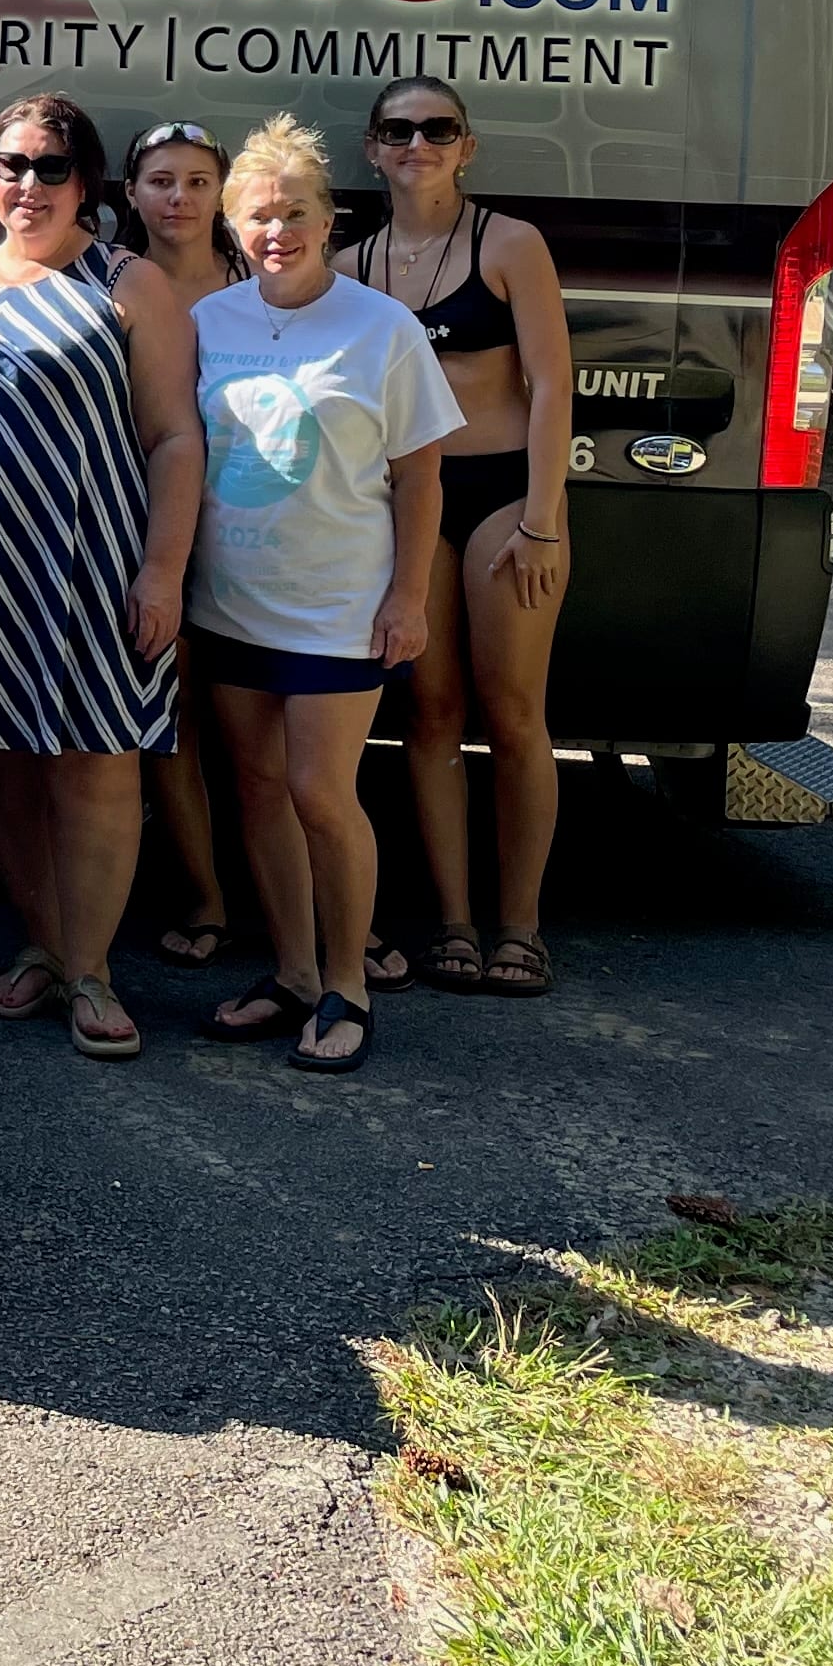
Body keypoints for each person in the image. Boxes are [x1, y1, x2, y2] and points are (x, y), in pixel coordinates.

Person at [0, 95, 202, 1062]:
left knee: (95, 765)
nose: (28, 185)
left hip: (89, 561)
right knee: (3, 764)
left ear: (88, 183)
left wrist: (163, 571)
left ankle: (94, 969)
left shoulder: (127, 283)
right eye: (10, 164)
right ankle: (43, 943)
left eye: (51, 167)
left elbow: (175, 437)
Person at [186, 115, 461, 1077]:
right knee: (257, 790)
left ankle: (349, 981)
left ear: (329, 218)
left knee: (319, 792)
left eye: (294, 211)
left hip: (339, 604)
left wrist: (408, 596)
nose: (276, 231)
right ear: (232, 229)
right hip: (228, 600)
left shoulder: (381, 327)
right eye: (257, 216)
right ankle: (295, 975)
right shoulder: (206, 323)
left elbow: (422, 478)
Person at [350, 77, 576, 1000]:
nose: (418, 144)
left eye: (438, 129)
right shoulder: (356, 262)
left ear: (466, 146)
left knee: (515, 714)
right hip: (414, 501)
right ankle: (451, 921)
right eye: (399, 130)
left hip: (500, 498)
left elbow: (554, 387)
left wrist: (542, 519)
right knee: (429, 717)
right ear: (373, 149)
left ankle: (519, 927)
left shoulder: (510, 244)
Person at [120, 119, 249, 968]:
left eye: (199, 182)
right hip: (142, 521)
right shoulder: (107, 284)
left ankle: (287, 899)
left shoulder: (262, 284)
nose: (179, 198)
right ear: (131, 194)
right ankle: (204, 898)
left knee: (254, 727)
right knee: (168, 722)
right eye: (161, 180)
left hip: (251, 532)